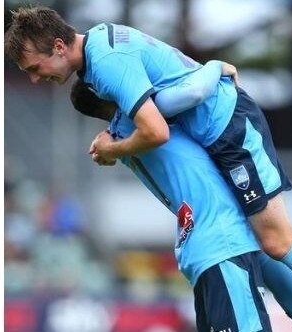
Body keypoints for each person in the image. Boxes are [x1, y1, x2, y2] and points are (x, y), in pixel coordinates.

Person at [5, 6, 292, 281]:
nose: (33, 79)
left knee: (275, 241)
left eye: (34, 67)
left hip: (228, 127)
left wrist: (112, 150)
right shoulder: (99, 49)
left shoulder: (105, 62)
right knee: (256, 241)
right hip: (213, 130)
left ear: (58, 46)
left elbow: (156, 132)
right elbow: (169, 94)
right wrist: (212, 68)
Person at [71, 79, 277, 330]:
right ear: (103, 91)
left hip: (202, 246)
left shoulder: (122, 138)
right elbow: (194, 89)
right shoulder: (137, 124)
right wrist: (217, 67)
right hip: (221, 241)